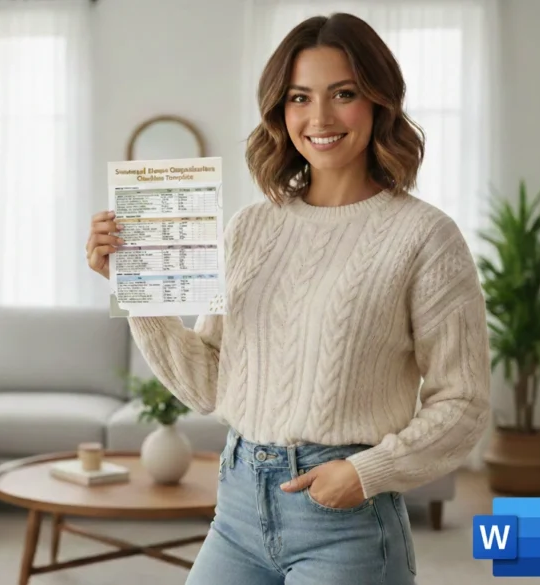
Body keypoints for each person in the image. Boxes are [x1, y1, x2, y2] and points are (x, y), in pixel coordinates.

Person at [85, 12, 491, 585]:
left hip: (346, 522)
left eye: (343, 94)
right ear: (280, 111)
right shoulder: (250, 228)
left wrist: (365, 473)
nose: (319, 118)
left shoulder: (426, 237)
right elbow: (209, 386)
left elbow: (464, 402)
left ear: (379, 102)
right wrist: (136, 289)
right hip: (237, 509)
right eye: (300, 97)